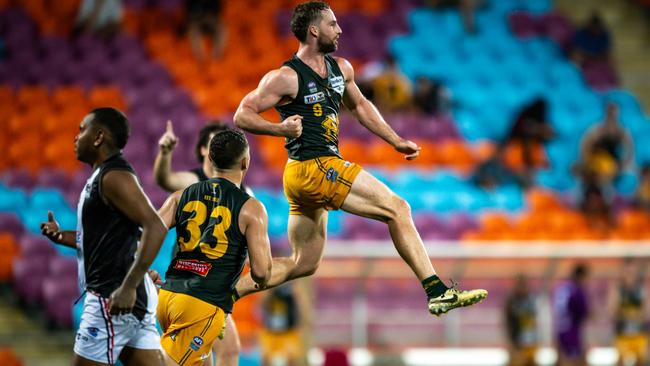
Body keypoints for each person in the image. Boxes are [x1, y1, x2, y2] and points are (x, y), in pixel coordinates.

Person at [233, 1, 487, 316]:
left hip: (304, 175)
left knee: (304, 263)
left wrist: (395, 140)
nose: (339, 30)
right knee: (398, 209)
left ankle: (225, 291)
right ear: (314, 30)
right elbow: (242, 114)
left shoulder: (342, 69)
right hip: (315, 166)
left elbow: (361, 106)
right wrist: (279, 128)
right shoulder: (285, 77)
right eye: (332, 24)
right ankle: (436, 290)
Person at [40, 107, 168, 366]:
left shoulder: (113, 176)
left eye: (81, 129)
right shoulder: (103, 175)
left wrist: (129, 286)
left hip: (112, 298)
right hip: (125, 297)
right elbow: (113, 238)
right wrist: (62, 236)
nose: (76, 137)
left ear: (98, 137)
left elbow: (155, 227)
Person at [156, 129, 272, 366]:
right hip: (202, 303)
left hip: (168, 297)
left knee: (217, 355)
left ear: (210, 159)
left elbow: (149, 232)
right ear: (245, 162)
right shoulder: (252, 208)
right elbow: (261, 273)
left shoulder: (181, 195)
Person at [154, 121, 227, 193]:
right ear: (203, 150)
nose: (221, 149)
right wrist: (165, 153)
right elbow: (165, 180)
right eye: (215, 144)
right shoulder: (193, 182)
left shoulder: (235, 183)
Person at [578, 103, 634, 184]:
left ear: (617, 113)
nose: (612, 114)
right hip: (596, 161)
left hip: (611, 164)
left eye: (614, 112)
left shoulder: (621, 131)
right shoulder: (597, 129)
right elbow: (585, 145)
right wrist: (586, 161)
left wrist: (623, 164)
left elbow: (629, 148)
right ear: (606, 113)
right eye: (610, 112)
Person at [608, 259, 648, 366]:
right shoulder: (618, 289)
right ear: (623, 272)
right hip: (623, 333)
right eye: (628, 271)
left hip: (639, 333)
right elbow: (612, 310)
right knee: (620, 361)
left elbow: (646, 311)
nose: (630, 275)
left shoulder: (641, 289)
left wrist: (638, 315)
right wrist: (624, 313)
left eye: (632, 271)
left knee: (641, 361)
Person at [260, 282, 309, 366]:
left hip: (289, 331)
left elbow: (302, 304)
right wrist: (270, 289)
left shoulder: (293, 284)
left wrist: (303, 323)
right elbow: (262, 303)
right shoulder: (270, 282)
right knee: (266, 358)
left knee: (292, 358)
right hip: (271, 331)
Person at [553, 263, 590, 366]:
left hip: (560, 329)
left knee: (562, 360)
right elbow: (584, 312)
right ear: (581, 276)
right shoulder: (577, 291)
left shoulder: (562, 288)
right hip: (572, 331)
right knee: (575, 360)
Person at [504, 275, 540, 366]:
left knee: (530, 362)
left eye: (524, 284)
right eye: (520, 284)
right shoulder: (512, 300)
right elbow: (508, 320)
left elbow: (534, 319)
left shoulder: (531, 299)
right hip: (516, 339)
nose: (523, 287)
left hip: (530, 339)